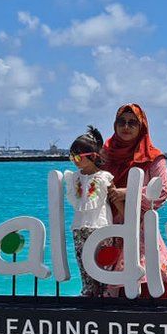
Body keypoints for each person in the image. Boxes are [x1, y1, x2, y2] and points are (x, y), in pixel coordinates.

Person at [101, 103, 167, 299]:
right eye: (121, 122)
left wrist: (126, 193)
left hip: (141, 227)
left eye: (132, 123)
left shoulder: (153, 157)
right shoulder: (105, 154)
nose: (126, 127)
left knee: (150, 276)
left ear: (141, 126)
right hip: (108, 226)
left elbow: (162, 192)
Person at [63, 126, 115, 297]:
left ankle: (106, 294)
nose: (74, 160)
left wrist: (129, 223)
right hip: (79, 226)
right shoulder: (74, 177)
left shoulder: (103, 177)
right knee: (83, 262)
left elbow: (114, 199)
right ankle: (88, 292)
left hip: (101, 226)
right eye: (72, 156)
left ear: (93, 156)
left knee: (103, 262)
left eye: (78, 156)